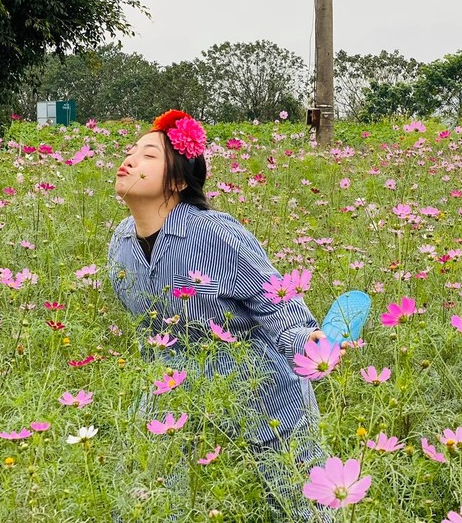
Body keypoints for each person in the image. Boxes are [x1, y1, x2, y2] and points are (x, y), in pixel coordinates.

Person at [107, 109, 330, 521]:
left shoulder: (214, 233)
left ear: (177, 180)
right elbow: (148, 330)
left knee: (298, 506)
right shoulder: (120, 246)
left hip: (261, 390)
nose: (131, 159)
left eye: (149, 155)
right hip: (175, 389)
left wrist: (306, 341)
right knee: (145, 501)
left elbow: (274, 299)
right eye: (131, 151)